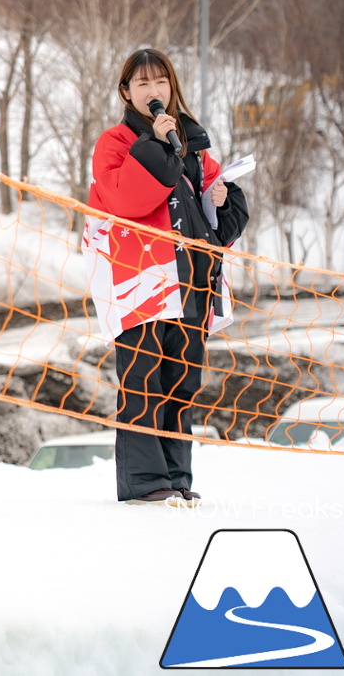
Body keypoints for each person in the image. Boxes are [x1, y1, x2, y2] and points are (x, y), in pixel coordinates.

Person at [83, 48, 249, 507]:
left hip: (193, 280)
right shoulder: (115, 143)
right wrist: (155, 145)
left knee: (182, 384)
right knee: (142, 382)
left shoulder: (194, 143)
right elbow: (126, 200)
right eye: (142, 84)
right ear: (126, 92)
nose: (153, 92)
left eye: (160, 82)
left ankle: (176, 478)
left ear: (172, 87)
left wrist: (220, 197)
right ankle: (144, 482)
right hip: (140, 282)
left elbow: (222, 223)